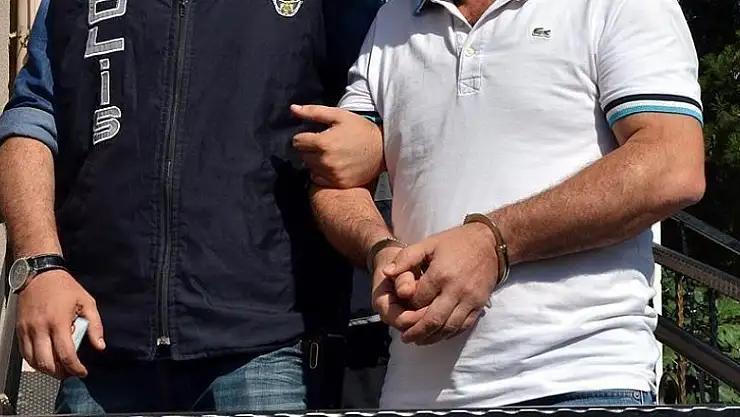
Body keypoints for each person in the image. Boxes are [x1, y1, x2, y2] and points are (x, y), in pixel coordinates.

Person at [291, 0, 706, 409]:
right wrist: (378, 248)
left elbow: (672, 163)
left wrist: (494, 242)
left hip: (580, 379)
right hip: (412, 392)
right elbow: (335, 178)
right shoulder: (391, 20)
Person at [0, 0, 381, 413]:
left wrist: (376, 141)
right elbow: (33, 117)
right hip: (102, 342)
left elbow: (387, 89)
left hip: (269, 343)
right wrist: (39, 266)